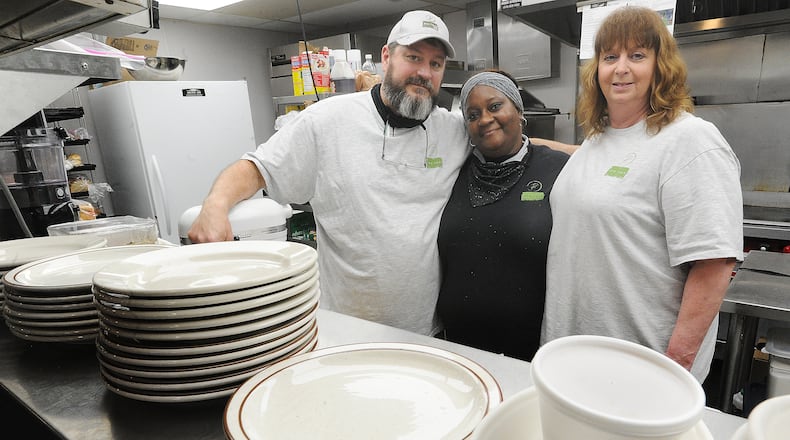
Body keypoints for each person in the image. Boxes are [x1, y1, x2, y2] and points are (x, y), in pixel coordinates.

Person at [187, 10, 470, 336]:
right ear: (387, 56)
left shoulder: (453, 132)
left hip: (427, 334)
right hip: (345, 329)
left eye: (435, 64)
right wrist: (215, 205)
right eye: (414, 57)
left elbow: (515, 144)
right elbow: (256, 167)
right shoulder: (328, 121)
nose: (424, 72)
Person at [540, 6, 743, 382]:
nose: (620, 68)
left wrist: (671, 370)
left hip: (641, 368)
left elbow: (714, 266)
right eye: (610, 56)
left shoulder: (690, 140)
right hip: (571, 356)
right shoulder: (597, 139)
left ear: (660, 65)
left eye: (637, 55)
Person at [437, 71, 569, 361]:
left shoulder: (558, 169)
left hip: (533, 352)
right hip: (458, 348)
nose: (484, 119)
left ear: (519, 111)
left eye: (495, 106)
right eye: (472, 114)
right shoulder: (451, 173)